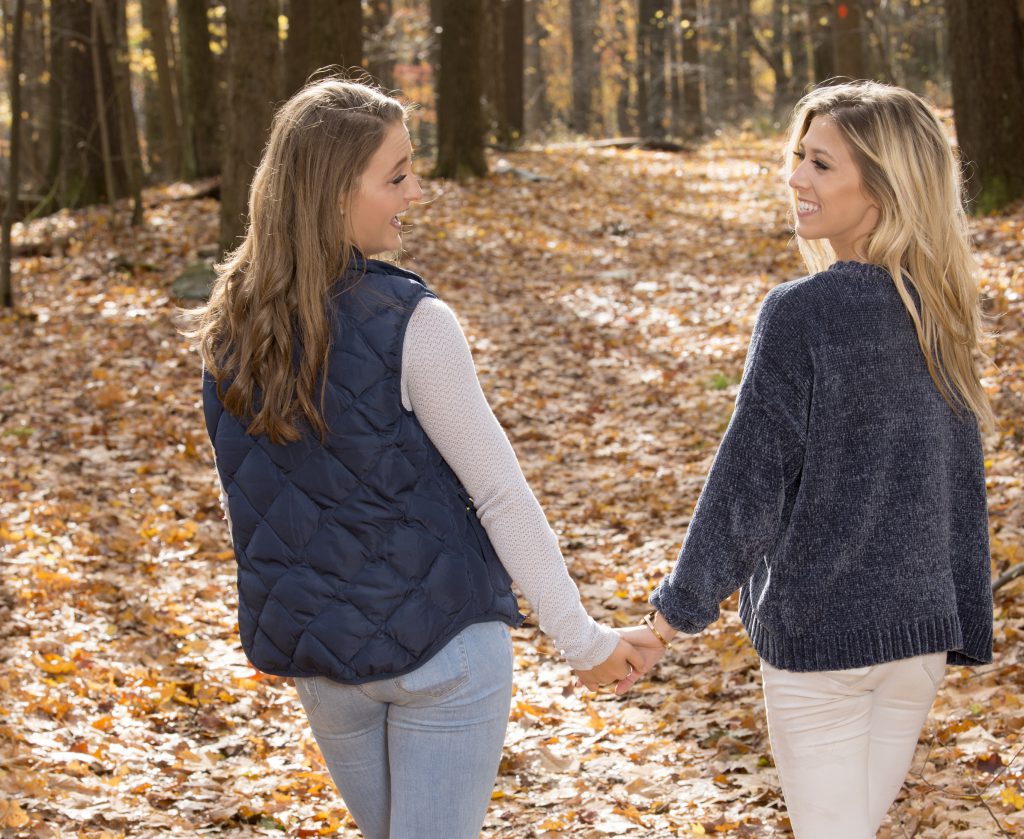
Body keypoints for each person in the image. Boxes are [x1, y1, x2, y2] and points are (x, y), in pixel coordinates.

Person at [187, 77, 644, 839]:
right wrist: (583, 641)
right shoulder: (413, 321)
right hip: (442, 654)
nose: (417, 192)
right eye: (396, 176)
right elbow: (498, 490)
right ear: (336, 192)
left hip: (324, 657)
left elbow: (255, 497)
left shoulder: (230, 324)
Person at [609, 80, 995, 837]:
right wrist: (964, 618)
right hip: (917, 641)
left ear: (881, 189)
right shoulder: (940, 308)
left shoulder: (803, 313)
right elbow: (959, 489)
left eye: (821, 164)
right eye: (798, 156)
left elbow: (748, 482)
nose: (795, 178)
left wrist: (670, 617)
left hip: (820, 644)